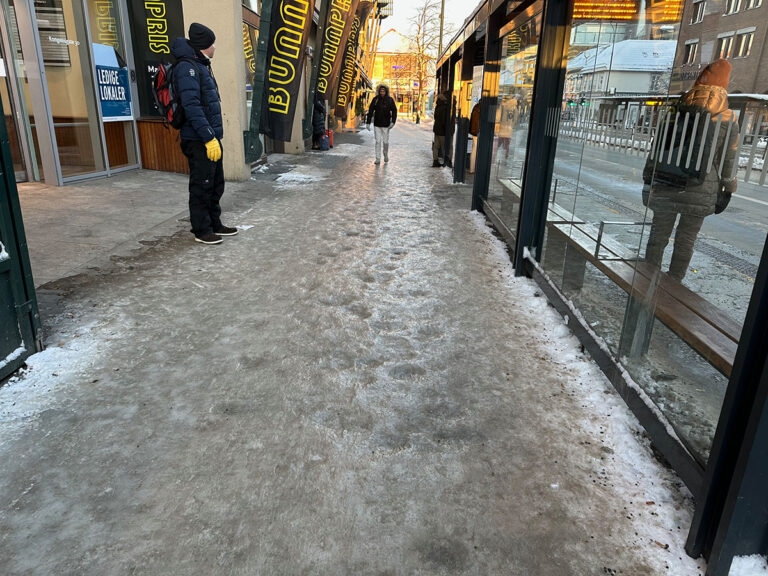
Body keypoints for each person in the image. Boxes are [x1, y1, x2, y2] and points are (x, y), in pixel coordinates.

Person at [642, 59, 739, 281]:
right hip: (701, 186)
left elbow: (658, 147)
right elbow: (728, 160)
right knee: (686, 239)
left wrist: (648, 176)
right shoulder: (728, 117)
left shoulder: (676, 109)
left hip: (666, 181)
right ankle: (674, 286)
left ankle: (647, 281)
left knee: (658, 236)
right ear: (724, 85)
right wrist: (728, 188)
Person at [172, 23, 236, 245]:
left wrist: (213, 136)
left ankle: (214, 223)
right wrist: (208, 137)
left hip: (209, 137)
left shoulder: (200, 65)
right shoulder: (187, 68)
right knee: (202, 183)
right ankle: (201, 229)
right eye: (212, 43)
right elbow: (192, 106)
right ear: (203, 46)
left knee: (216, 182)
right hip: (198, 138)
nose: (215, 46)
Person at [366, 84, 398, 165]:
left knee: (385, 142)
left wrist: (393, 122)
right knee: (378, 141)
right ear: (378, 91)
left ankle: (385, 154)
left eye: (383, 91)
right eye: (380, 91)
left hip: (386, 125)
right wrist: (368, 122)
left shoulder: (390, 100)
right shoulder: (375, 99)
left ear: (386, 91)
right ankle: (378, 158)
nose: (382, 92)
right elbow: (370, 111)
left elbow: (394, 111)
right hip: (377, 124)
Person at [432, 91, 452, 168]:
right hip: (442, 130)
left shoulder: (438, 105)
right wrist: (446, 129)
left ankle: (435, 161)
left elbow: (435, 117)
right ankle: (445, 162)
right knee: (444, 147)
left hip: (436, 129)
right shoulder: (445, 107)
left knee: (436, 146)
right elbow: (444, 120)